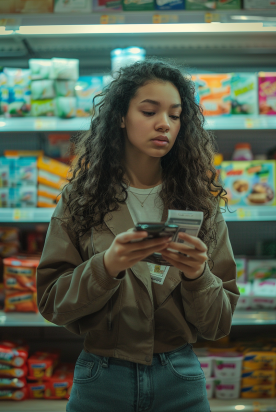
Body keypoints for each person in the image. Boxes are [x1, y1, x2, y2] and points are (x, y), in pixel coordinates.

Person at [37, 59, 240, 412]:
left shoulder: (200, 202)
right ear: (120, 116)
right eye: (149, 111)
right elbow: (53, 304)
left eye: (175, 115)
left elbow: (218, 323)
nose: (164, 123)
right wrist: (108, 265)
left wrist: (197, 275)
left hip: (180, 377)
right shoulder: (80, 198)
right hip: (102, 378)